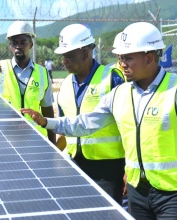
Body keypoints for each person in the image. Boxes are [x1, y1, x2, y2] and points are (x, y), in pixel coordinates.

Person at [21, 22, 177, 220]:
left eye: (128, 58)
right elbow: (86, 123)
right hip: (137, 193)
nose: (122, 63)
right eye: (120, 58)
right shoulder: (119, 94)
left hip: (174, 194)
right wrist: (48, 122)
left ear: (149, 57)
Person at [54, 23, 126, 205]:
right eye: (63, 56)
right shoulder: (65, 85)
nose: (64, 61)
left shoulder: (113, 79)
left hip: (109, 170)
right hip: (74, 166)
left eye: (69, 56)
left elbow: (129, 127)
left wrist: (128, 169)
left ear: (85, 53)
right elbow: (64, 127)